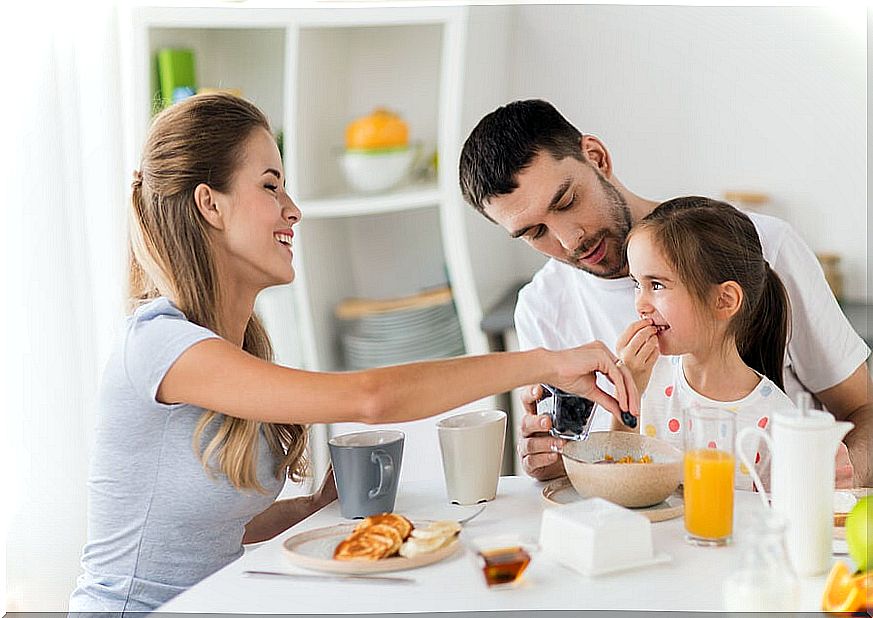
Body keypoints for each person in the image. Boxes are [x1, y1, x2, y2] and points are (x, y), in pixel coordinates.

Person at [68, 93, 639, 614]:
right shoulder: (157, 343)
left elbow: (211, 532)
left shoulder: (235, 351)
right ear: (209, 205)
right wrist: (545, 360)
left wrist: (313, 507)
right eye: (270, 186)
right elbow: (370, 399)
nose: (293, 210)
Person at [458, 99, 871, 486]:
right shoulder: (540, 307)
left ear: (597, 158)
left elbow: (864, 410)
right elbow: (589, 473)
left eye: (567, 201)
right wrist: (552, 466)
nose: (569, 241)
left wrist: (836, 475)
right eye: (534, 232)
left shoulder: (761, 247)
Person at [614, 196, 795, 490]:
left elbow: (776, 521)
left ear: (724, 300)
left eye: (656, 285)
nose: (640, 304)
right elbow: (618, 486)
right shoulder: (646, 381)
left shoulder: (776, 418)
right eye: (637, 284)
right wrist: (628, 393)